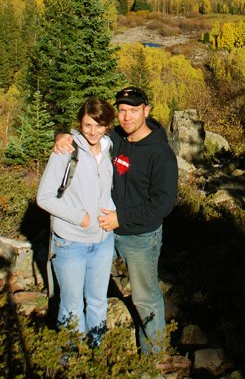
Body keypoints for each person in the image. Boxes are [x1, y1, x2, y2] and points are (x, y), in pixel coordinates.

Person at [54, 86, 178, 356]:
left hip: (140, 236)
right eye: (122, 110)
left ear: (146, 110)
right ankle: (81, 351)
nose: (127, 116)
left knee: (145, 298)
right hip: (104, 231)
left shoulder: (161, 154)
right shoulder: (114, 137)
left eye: (134, 110)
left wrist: (121, 217)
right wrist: (62, 135)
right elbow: (88, 131)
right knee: (85, 292)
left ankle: (152, 358)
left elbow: (163, 203)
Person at [37, 98, 115, 347]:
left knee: (98, 301)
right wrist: (80, 219)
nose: (93, 131)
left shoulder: (109, 147)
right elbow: (44, 197)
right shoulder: (66, 150)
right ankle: (71, 363)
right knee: (71, 306)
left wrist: (112, 214)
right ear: (80, 123)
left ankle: (97, 358)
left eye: (99, 125)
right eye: (88, 125)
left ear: (107, 126)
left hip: (103, 240)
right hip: (71, 243)